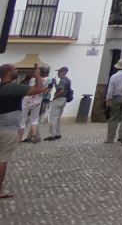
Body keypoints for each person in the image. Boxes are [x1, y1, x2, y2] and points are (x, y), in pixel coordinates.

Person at [0, 63, 45, 199]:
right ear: (8, 72)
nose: (17, 71)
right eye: (14, 69)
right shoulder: (13, 88)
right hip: (7, 130)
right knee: (2, 158)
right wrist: (37, 76)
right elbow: (38, 89)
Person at [44, 66, 72, 140]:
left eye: (59, 72)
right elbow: (59, 89)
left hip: (59, 99)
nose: (58, 73)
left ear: (63, 72)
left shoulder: (63, 80)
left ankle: (52, 134)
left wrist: (55, 96)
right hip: (64, 100)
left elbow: (61, 91)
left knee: (53, 117)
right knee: (57, 118)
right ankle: (58, 133)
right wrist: (55, 83)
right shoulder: (68, 80)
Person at [21, 65, 46, 143]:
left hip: (28, 100)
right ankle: (34, 135)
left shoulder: (32, 79)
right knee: (34, 119)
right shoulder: (44, 80)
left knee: (23, 119)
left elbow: (30, 89)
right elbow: (43, 91)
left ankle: (20, 137)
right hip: (38, 101)